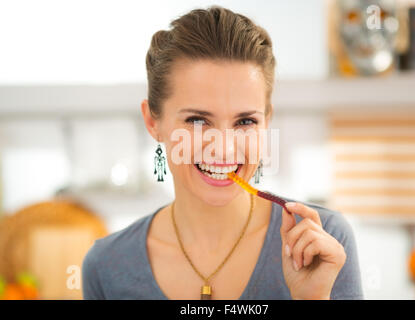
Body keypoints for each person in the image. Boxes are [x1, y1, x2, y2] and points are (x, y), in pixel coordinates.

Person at [82, 5, 363, 300]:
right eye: (198, 120)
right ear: (153, 122)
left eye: (245, 121)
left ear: (266, 121)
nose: (224, 148)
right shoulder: (106, 267)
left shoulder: (323, 242)